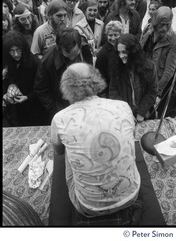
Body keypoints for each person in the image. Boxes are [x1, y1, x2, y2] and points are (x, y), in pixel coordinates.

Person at [51, 62, 141, 218]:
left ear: (66, 87)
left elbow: (58, 151)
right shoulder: (123, 106)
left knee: (66, 150)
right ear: (96, 79)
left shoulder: (60, 119)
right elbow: (131, 137)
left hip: (88, 207)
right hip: (131, 196)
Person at [34, 28, 92, 123]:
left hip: (85, 105)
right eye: (68, 56)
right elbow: (41, 90)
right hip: (62, 109)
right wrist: (56, 110)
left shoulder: (85, 49)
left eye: (75, 54)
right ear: (59, 49)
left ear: (80, 46)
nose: (72, 59)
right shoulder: (48, 61)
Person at [139, 6, 176, 113]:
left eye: (167, 25)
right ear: (155, 21)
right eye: (161, 24)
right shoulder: (149, 28)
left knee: (146, 112)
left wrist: (157, 91)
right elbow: (140, 48)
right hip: (140, 75)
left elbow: (169, 70)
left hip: (154, 80)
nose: (163, 28)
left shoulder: (175, 41)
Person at [3, 30, 49, 126]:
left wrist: (27, 97)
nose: (15, 54)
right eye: (12, 51)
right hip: (15, 111)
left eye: (18, 50)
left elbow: (42, 86)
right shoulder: (8, 62)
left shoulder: (34, 63)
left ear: (23, 48)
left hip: (35, 110)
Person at [109, 33, 158, 122]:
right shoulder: (116, 68)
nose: (121, 56)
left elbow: (152, 91)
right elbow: (113, 92)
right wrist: (127, 113)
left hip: (145, 115)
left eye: (124, 52)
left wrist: (141, 112)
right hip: (125, 115)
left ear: (133, 51)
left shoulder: (150, 67)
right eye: (118, 52)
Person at [95, 20, 123, 98]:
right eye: (110, 35)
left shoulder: (123, 49)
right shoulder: (102, 54)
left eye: (116, 35)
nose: (113, 38)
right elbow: (100, 77)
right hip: (109, 93)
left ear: (121, 34)